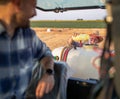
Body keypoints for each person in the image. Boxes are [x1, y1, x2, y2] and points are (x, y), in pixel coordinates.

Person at [0, 0, 67, 99]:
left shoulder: (29, 36)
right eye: (33, 6)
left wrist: (49, 73)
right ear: (18, 4)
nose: (34, 13)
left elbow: (45, 53)